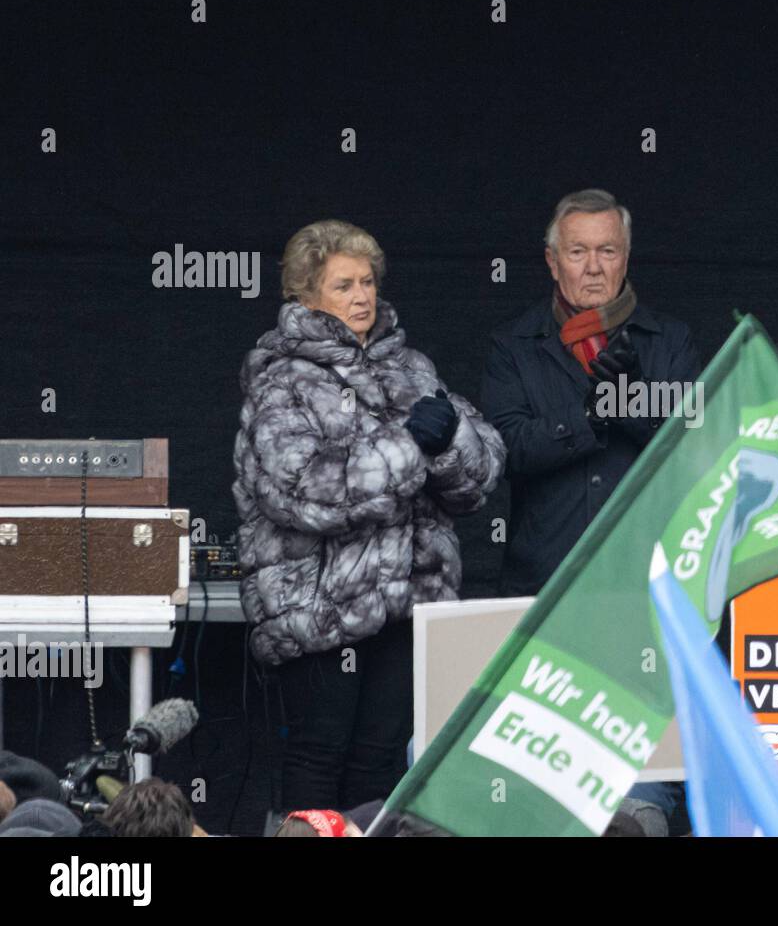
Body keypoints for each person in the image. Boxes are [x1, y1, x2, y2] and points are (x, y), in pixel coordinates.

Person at [233, 219, 504, 813]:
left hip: (409, 608)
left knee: (382, 760)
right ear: (306, 296)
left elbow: (479, 474)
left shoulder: (412, 367)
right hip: (321, 610)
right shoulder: (282, 379)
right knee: (317, 754)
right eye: (343, 285)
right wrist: (411, 446)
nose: (362, 296)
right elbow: (303, 489)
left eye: (367, 282)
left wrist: (451, 438)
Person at [481, 189, 700, 597]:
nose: (594, 267)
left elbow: (693, 451)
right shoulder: (512, 343)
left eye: (608, 251)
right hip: (545, 581)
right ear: (553, 262)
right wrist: (589, 415)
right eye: (578, 252)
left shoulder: (672, 339)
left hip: (648, 576)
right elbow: (505, 452)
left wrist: (631, 400)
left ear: (626, 258)